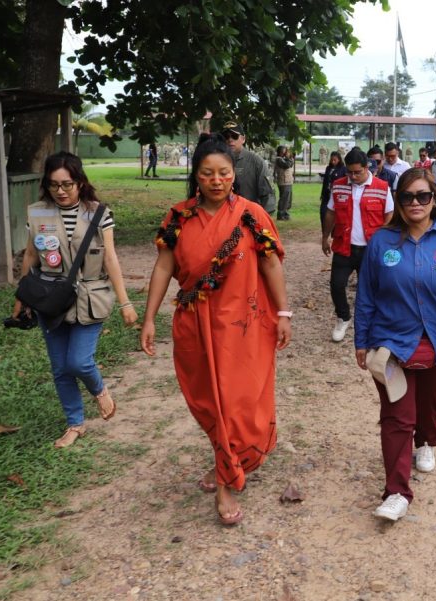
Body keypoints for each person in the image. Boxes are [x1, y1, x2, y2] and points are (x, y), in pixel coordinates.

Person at [141, 134, 292, 527]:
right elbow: (163, 267)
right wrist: (148, 318)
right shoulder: (178, 217)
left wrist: (284, 313)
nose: (216, 180)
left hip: (244, 328)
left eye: (223, 173)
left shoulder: (251, 215)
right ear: (196, 176)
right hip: (195, 326)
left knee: (238, 404)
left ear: (233, 174)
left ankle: (227, 478)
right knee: (212, 404)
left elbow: (272, 265)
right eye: (207, 173)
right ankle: (226, 464)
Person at [354, 167, 436, 522]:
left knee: (427, 412)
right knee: (398, 417)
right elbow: (366, 295)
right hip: (391, 346)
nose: (415, 203)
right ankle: (397, 492)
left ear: (434, 200)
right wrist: (362, 340)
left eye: (423, 196)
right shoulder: (382, 242)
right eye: (408, 196)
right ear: (398, 201)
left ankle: (426, 441)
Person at [13, 151, 138, 448]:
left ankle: (99, 390)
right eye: (54, 185)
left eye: (67, 184)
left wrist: (126, 303)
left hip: (89, 298)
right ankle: (75, 424)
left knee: (79, 362)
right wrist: (21, 297)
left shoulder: (97, 212)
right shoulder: (37, 212)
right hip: (49, 299)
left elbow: (110, 258)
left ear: (80, 182)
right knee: (60, 368)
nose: (61, 191)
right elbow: (31, 255)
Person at [322, 148, 394, 342]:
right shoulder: (338, 186)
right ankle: (343, 317)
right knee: (336, 285)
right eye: (349, 172)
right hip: (344, 246)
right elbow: (330, 212)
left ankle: (369, 323)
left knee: (369, 289)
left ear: (366, 167)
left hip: (370, 249)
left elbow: (389, 214)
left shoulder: (381, 186)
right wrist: (325, 236)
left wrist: (384, 240)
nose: (353, 176)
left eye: (357, 172)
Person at [222, 121, 276, 215]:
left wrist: (262, 220)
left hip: (248, 218)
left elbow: (268, 195)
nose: (230, 140)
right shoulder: (216, 161)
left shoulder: (256, 162)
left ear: (243, 139)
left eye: (234, 136)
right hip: (222, 219)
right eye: (226, 136)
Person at [320, 150, 346, 226]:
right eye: (331, 160)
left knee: (334, 215)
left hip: (337, 195)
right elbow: (325, 182)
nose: (333, 162)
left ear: (339, 159)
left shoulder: (343, 169)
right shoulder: (328, 168)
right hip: (327, 194)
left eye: (335, 160)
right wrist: (322, 194)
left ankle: (333, 233)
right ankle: (324, 231)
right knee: (323, 213)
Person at [274, 145, 295, 220]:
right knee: (284, 198)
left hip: (288, 181)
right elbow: (287, 165)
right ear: (280, 151)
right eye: (284, 150)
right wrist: (288, 158)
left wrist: (289, 157)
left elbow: (290, 164)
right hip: (283, 181)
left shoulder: (285, 159)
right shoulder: (279, 159)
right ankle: (281, 214)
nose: (285, 152)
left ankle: (285, 213)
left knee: (288, 199)